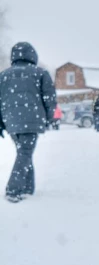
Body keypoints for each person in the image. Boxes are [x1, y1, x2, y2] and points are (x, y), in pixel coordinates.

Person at [0, 42, 56, 203]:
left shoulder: (3, 76)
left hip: (11, 121)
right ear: (32, 55)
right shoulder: (40, 73)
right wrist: (51, 117)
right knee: (25, 153)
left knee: (23, 153)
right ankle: (13, 190)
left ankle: (28, 188)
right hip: (31, 121)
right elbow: (49, 98)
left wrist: (1, 123)